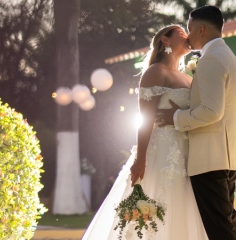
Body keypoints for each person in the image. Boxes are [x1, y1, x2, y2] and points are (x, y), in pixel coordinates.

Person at [81, 24, 209, 240]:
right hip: (159, 152)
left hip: (186, 153)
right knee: (154, 211)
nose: (186, 36)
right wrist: (141, 159)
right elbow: (145, 119)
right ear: (165, 40)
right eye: (180, 33)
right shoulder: (154, 72)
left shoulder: (188, 77)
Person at [155, 5, 236, 240]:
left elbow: (211, 111)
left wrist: (176, 118)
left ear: (201, 29)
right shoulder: (229, 57)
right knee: (229, 225)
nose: (188, 35)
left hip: (210, 158)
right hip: (227, 155)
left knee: (220, 230)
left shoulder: (211, 60)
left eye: (190, 29)